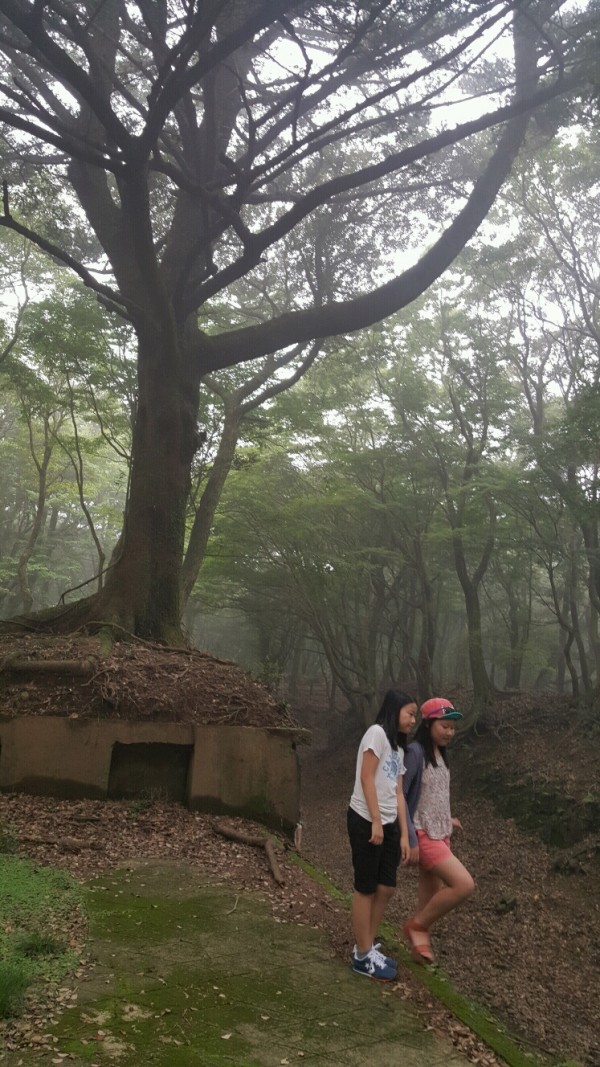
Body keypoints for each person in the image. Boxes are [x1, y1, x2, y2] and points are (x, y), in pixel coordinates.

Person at [347, 689, 417, 981]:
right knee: (365, 887)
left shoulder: (398, 748)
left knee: (386, 887)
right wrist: (376, 821)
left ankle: (367, 945)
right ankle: (362, 956)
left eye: (415, 715)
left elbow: (398, 792)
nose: (413, 720)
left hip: (389, 823)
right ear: (395, 710)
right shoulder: (376, 734)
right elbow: (366, 777)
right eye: (410, 714)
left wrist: (403, 835)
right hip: (366, 818)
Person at [402, 697, 475, 964]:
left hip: (440, 831)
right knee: (464, 884)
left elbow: (434, 794)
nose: (449, 732)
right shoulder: (415, 753)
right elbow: (401, 796)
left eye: (452, 728)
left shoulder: (440, 754)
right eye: (444, 726)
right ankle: (416, 926)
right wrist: (409, 837)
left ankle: (419, 950)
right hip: (423, 833)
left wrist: (447, 819)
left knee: (429, 898)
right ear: (428, 724)